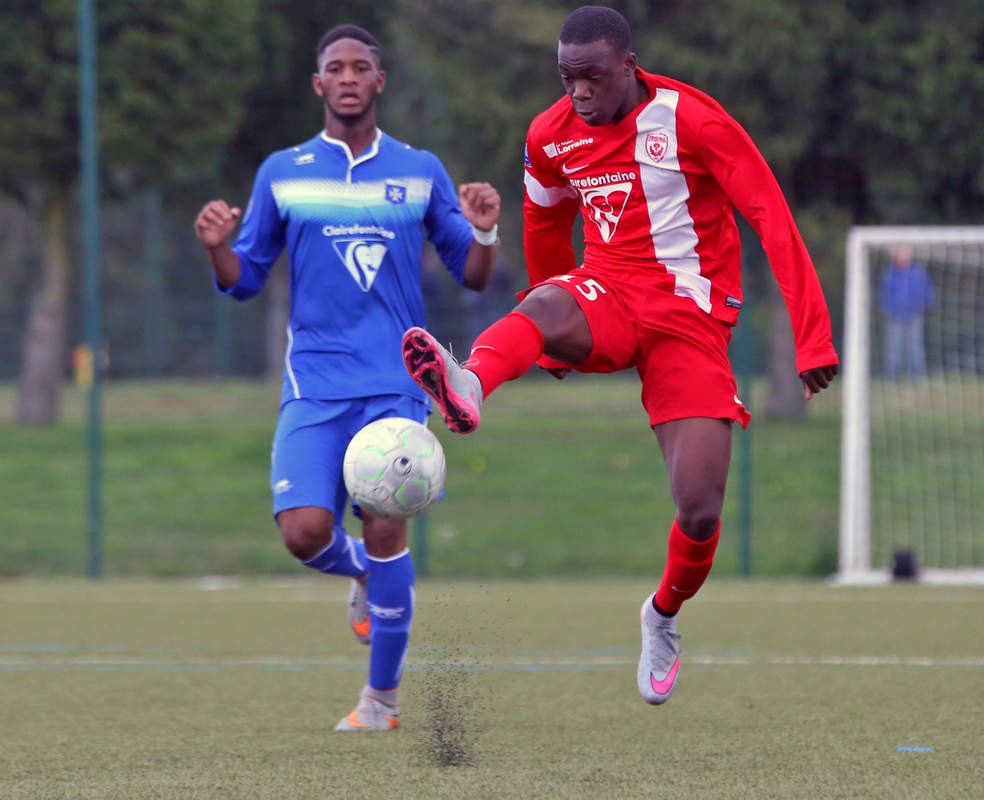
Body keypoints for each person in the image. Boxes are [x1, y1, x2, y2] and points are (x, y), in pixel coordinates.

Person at [400, 6, 838, 706]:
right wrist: (548, 348)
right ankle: (471, 382)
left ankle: (662, 614)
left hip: (691, 320)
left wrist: (812, 336)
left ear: (629, 67)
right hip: (608, 291)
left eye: (594, 79)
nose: (579, 94)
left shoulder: (692, 119)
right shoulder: (550, 135)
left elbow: (770, 214)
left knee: (698, 507)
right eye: (568, 79)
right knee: (540, 303)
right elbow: (545, 224)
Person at [193, 24, 500, 731]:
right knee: (303, 533)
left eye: (363, 66)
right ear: (319, 84)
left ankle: (382, 700)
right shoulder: (283, 171)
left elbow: (473, 277)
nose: (350, 76)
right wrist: (217, 250)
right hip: (314, 384)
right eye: (337, 67)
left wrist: (483, 231)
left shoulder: (420, 168)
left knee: (390, 526)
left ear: (380, 82)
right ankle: (360, 570)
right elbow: (244, 281)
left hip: (396, 386)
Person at [878, 245, 934, 380]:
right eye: (900, 256)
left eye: (905, 255)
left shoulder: (918, 273)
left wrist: (922, 309)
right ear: (895, 258)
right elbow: (883, 296)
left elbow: (928, 293)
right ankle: (891, 377)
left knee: (915, 347)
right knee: (893, 347)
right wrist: (888, 311)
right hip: (894, 318)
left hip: (915, 316)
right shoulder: (889, 274)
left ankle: (917, 376)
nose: (903, 259)